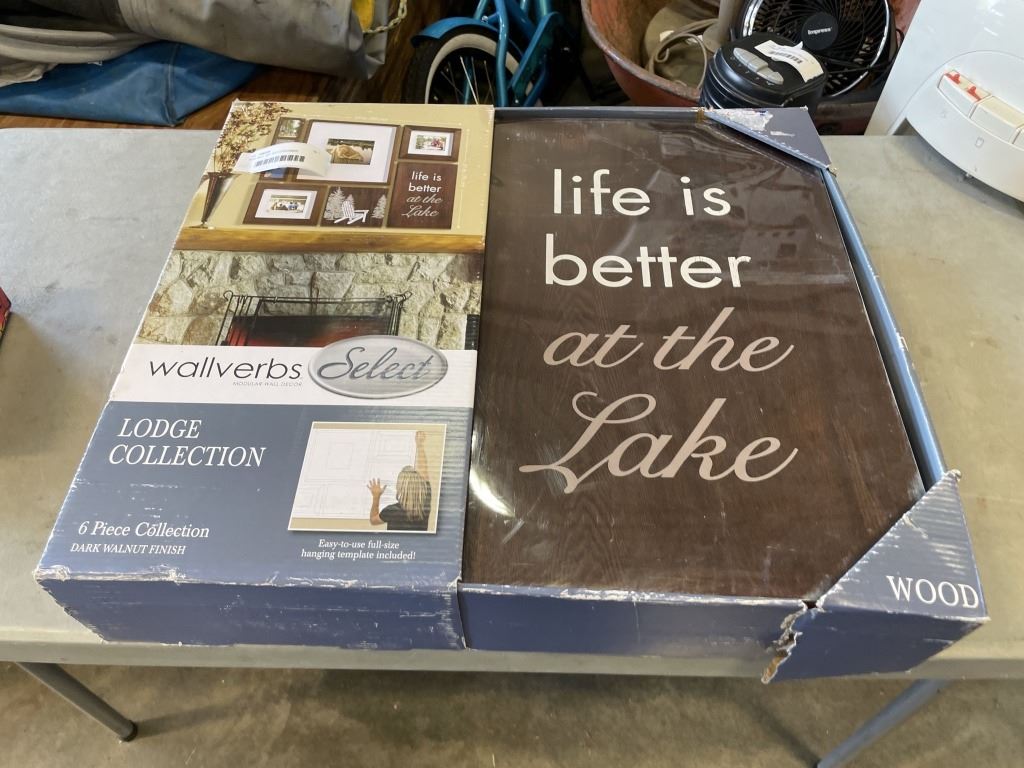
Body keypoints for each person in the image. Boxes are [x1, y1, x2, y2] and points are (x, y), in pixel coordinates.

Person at [367, 431, 432, 532]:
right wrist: (419, 445)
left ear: (399, 487)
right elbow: (424, 470)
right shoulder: (424, 504)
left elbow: (373, 520)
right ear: (420, 485)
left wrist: (376, 496)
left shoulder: (391, 510)